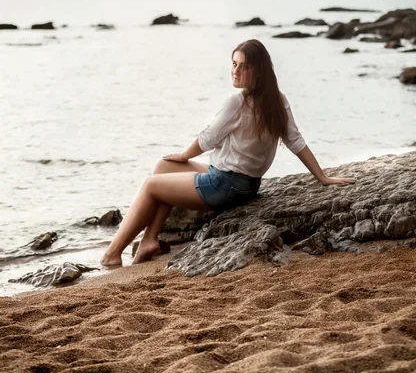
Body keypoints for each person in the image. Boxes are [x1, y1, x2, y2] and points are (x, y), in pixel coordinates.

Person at [101, 39, 354, 267]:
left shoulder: (237, 102)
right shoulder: (278, 100)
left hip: (223, 187)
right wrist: (321, 176)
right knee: (163, 167)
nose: (235, 70)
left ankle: (112, 253)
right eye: (233, 64)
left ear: (258, 70)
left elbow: (208, 138)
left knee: (150, 185)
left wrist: (185, 155)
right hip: (246, 187)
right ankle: (149, 239)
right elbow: (296, 142)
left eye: (242, 66)